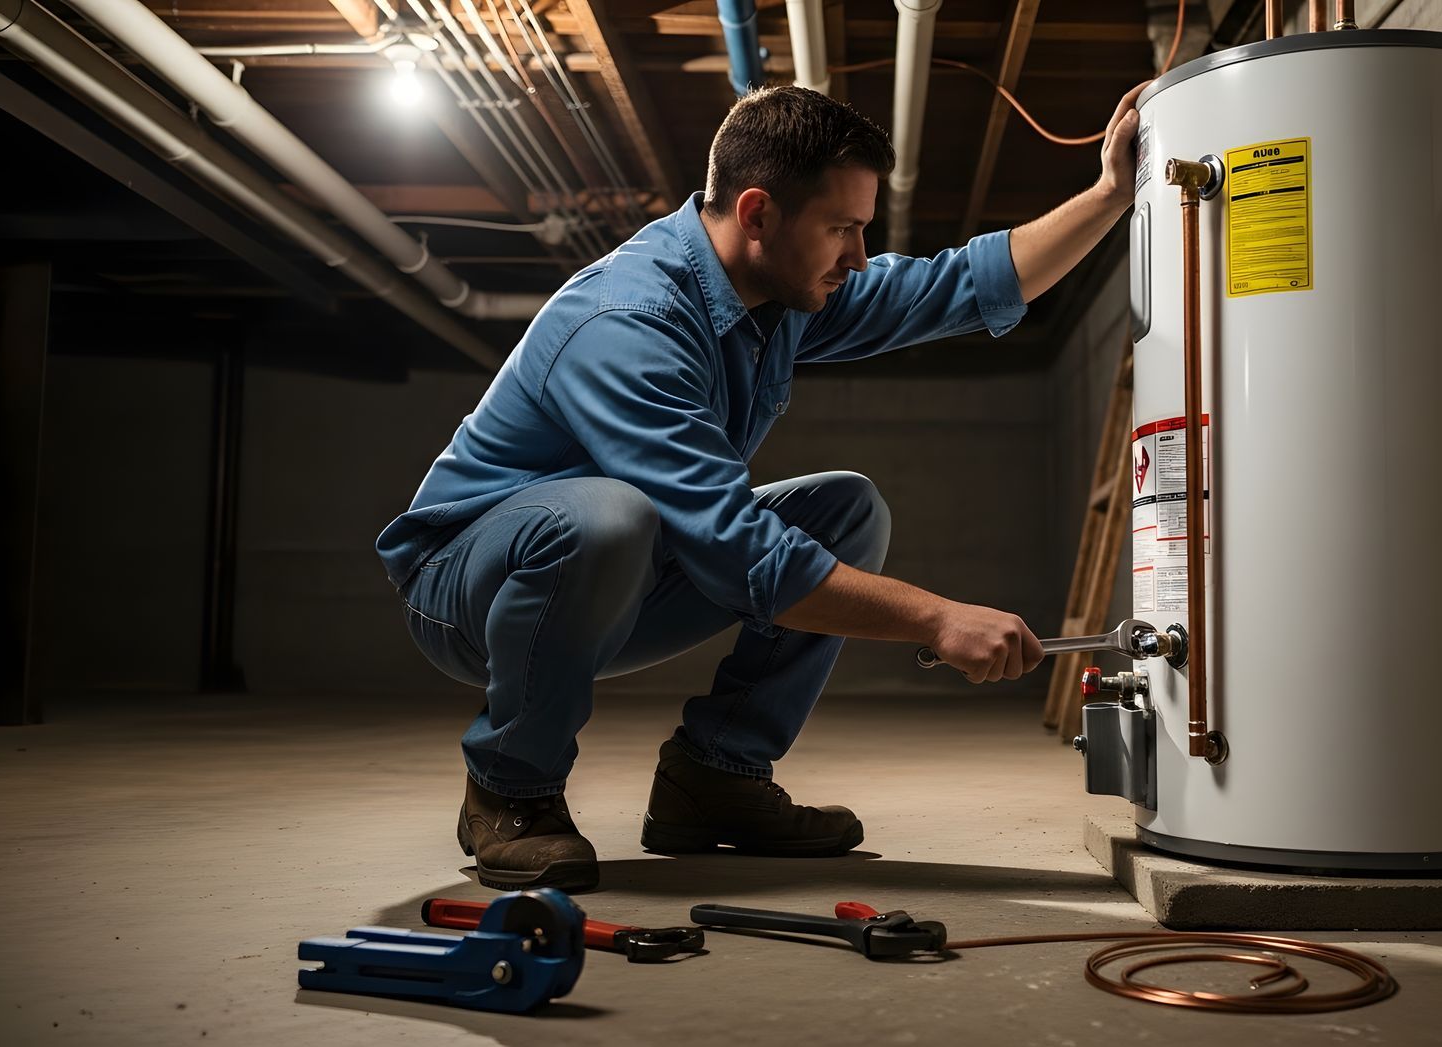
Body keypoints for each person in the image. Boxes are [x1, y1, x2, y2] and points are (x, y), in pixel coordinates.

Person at [377, 82, 1146, 892]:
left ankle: (715, 780)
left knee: (842, 510)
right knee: (605, 516)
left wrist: (1109, 196)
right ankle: (512, 788)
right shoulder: (627, 320)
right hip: (470, 587)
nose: (857, 255)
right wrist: (937, 616)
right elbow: (740, 549)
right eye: (842, 229)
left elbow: (958, 285)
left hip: (618, 569)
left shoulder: (781, 293)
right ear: (757, 213)